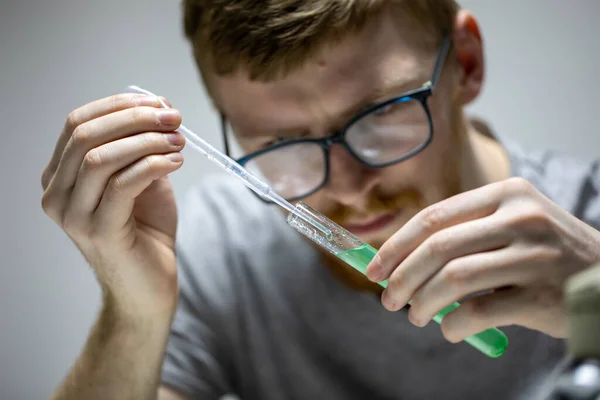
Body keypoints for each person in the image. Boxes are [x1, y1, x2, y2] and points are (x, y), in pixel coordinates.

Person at [41, 1, 600, 399]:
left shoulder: (585, 235)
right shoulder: (221, 250)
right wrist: (136, 313)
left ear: (466, 64)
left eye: (379, 116)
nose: (350, 186)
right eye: (282, 145)